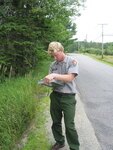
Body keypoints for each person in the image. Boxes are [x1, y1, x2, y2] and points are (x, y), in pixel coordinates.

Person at [44, 42, 80, 150]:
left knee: (69, 125)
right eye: (52, 56)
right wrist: (47, 82)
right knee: (55, 122)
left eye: (56, 55)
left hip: (68, 97)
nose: (55, 58)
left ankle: (74, 147)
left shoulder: (72, 61)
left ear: (61, 50)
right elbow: (52, 81)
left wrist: (54, 75)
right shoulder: (53, 65)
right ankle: (59, 142)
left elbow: (69, 78)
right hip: (55, 96)